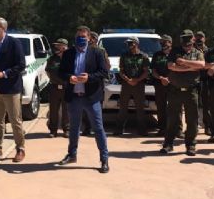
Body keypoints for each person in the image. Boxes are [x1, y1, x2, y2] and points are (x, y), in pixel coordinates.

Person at [57, 26, 110, 173]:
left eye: (83, 37)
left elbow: (104, 72)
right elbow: (61, 72)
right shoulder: (68, 54)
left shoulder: (97, 53)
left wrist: (89, 78)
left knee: (98, 129)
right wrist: (69, 78)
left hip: (91, 97)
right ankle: (72, 154)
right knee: (74, 128)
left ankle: (104, 159)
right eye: (78, 37)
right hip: (74, 97)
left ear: (89, 38)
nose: (81, 39)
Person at [0, 16, 27, 163]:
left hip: (11, 88)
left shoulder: (14, 43)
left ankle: (20, 148)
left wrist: (3, 74)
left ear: (3, 29)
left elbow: (21, 65)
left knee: (15, 120)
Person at [161, 30, 205, 156]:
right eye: (184, 41)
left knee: (192, 120)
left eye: (189, 41)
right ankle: (168, 144)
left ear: (192, 40)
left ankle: (190, 145)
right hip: (175, 90)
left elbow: (201, 64)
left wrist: (184, 63)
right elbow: (171, 66)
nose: (187, 44)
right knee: (172, 119)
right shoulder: (175, 52)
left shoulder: (197, 52)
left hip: (191, 91)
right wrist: (191, 67)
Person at [114, 37, 150, 136]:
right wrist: (128, 80)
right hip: (126, 84)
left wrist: (137, 80)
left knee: (140, 108)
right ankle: (119, 129)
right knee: (123, 107)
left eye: (131, 43)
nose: (129, 45)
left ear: (136, 43)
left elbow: (146, 72)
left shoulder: (144, 56)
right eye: (128, 43)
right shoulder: (124, 56)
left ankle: (142, 130)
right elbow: (121, 71)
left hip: (139, 85)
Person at [45, 38, 70, 138]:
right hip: (54, 87)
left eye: (59, 46)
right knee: (53, 110)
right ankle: (53, 130)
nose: (57, 47)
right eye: (56, 46)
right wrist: (54, 80)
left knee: (66, 110)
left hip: (67, 87)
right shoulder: (52, 58)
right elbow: (47, 71)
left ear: (64, 47)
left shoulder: (70, 58)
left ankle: (66, 129)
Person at [151, 35, 173, 136]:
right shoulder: (157, 55)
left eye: (165, 42)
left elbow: (179, 69)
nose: (163, 44)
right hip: (159, 84)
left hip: (173, 84)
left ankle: (177, 129)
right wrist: (161, 78)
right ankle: (162, 129)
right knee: (161, 107)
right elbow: (153, 70)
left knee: (174, 107)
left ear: (170, 42)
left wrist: (169, 79)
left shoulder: (175, 54)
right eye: (162, 42)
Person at [195, 31, 211, 135]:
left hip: (206, 80)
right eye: (197, 37)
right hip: (194, 80)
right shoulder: (192, 51)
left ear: (205, 39)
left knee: (207, 105)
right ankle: (194, 126)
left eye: (201, 37)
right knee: (194, 104)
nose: (199, 39)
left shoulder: (209, 51)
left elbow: (211, 64)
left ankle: (207, 127)